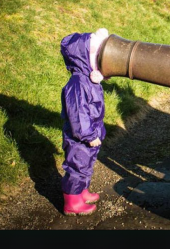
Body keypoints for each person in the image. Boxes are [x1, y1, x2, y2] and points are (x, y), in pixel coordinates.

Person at [60, 28, 109, 215]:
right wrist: (88, 134)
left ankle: (81, 191)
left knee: (87, 164)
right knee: (77, 165)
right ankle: (72, 202)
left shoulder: (89, 80)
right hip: (80, 137)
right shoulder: (77, 84)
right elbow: (78, 114)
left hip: (92, 134)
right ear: (83, 58)